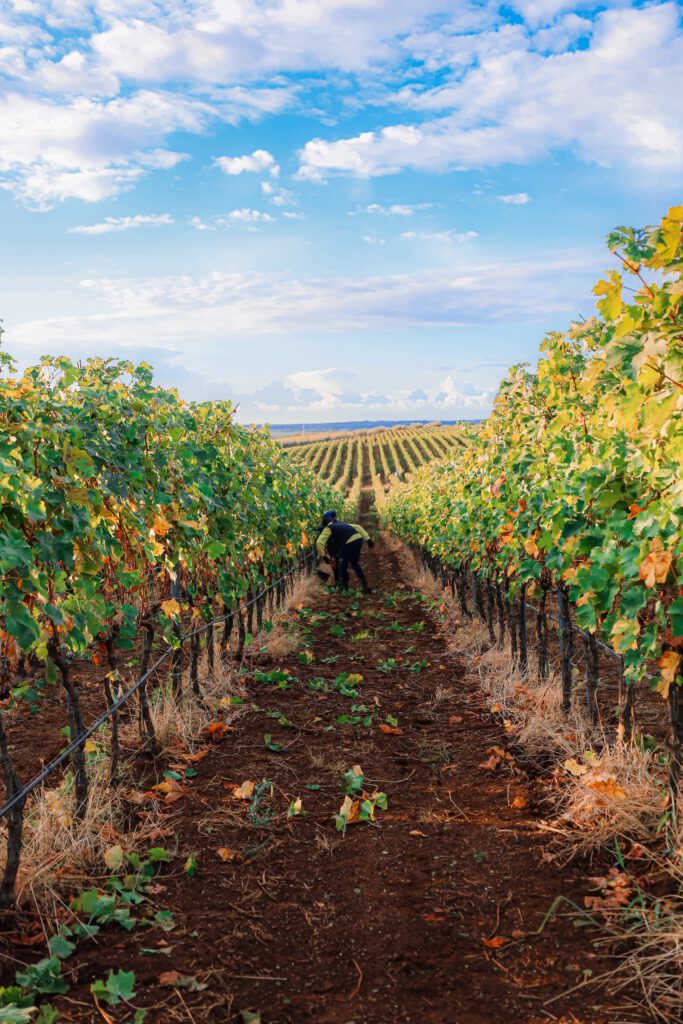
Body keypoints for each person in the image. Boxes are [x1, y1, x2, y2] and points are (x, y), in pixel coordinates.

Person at [316, 511, 374, 593]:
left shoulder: (328, 529)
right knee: (354, 563)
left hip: (349, 543)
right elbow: (358, 527)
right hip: (358, 540)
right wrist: (368, 539)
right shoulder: (342, 524)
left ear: (325, 525)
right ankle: (365, 586)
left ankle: (344, 588)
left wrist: (323, 555)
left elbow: (319, 542)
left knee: (342, 565)